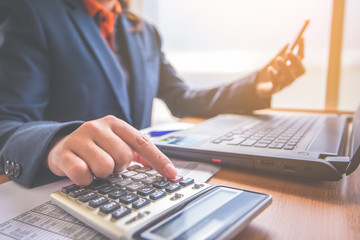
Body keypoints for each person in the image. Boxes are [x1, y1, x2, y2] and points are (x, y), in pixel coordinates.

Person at [0, 0, 305, 188]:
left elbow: (182, 99)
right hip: (71, 186)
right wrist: (55, 142)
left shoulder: (145, 31)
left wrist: (258, 85)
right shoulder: (32, 11)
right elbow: (8, 122)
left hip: (140, 186)